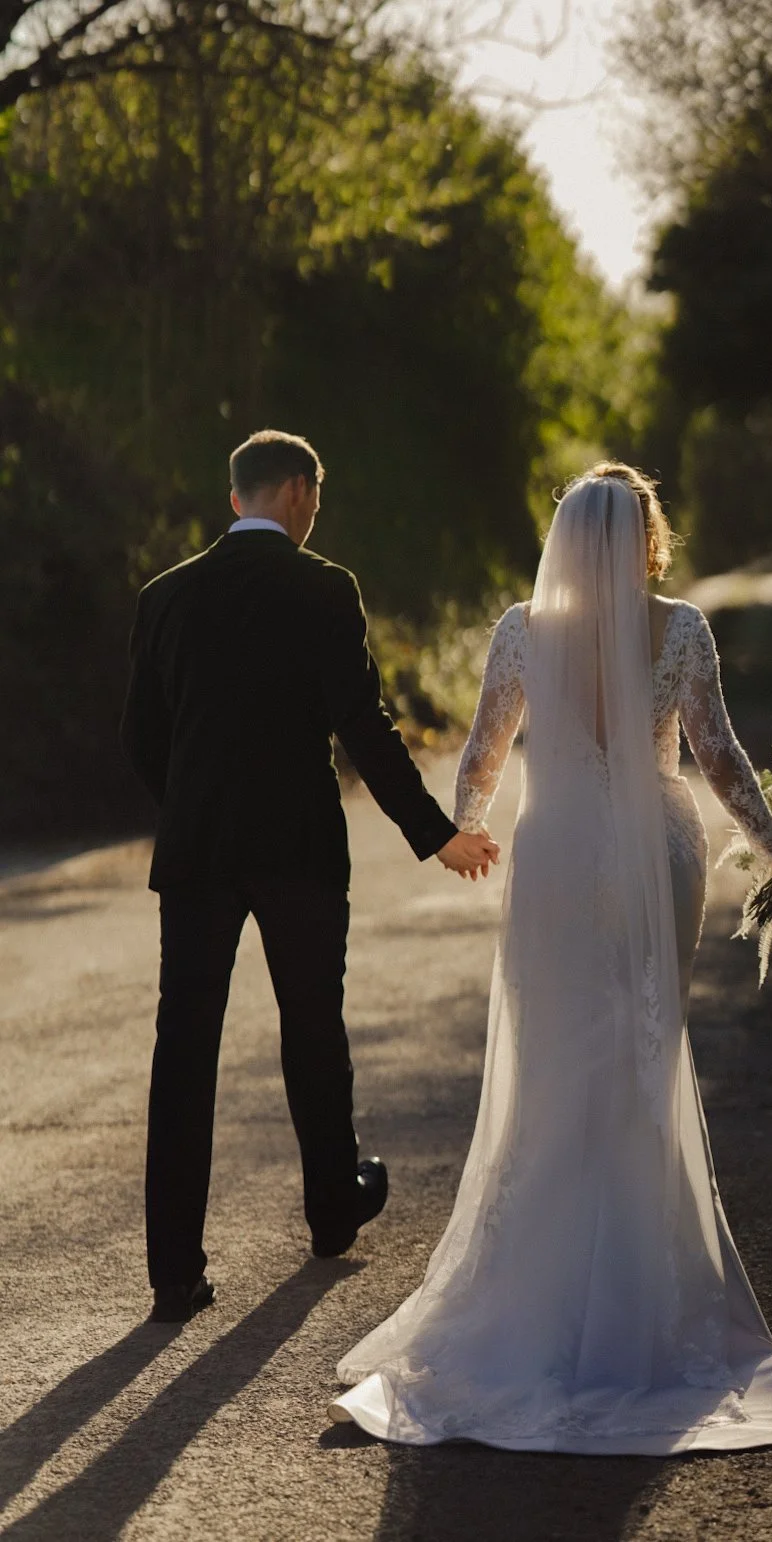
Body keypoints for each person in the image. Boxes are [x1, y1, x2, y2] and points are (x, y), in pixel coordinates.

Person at [329, 463, 772, 1454]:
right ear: (647, 538)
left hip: (556, 852)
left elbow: (483, 751)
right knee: (641, 1049)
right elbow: (717, 755)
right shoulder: (680, 628)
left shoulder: (518, 630)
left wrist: (469, 828)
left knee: (550, 1059)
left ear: (566, 544)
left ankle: (540, 1293)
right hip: (658, 852)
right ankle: (639, 1290)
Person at [121, 429, 498, 1324]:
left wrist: (187, 805)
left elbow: (142, 737)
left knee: (185, 1051)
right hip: (297, 849)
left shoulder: (164, 597)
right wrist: (434, 833)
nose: (317, 509)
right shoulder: (326, 589)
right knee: (312, 1028)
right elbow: (361, 726)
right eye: (317, 494)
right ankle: (332, 1203)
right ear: (295, 491)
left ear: (234, 499)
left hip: (199, 854)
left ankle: (174, 1271)